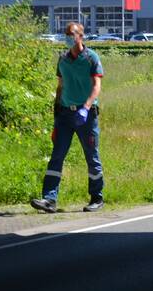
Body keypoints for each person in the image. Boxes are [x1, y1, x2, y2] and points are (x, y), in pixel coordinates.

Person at [31, 22, 105, 214]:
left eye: (71, 34)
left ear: (81, 36)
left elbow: (97, 86)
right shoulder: (62, 59)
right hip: (65, 114)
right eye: (66, 34)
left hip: (86, 116)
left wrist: (86, 107)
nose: (68, 37)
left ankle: (97, 197)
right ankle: (49, 199)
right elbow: (60, 86)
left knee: (91, 156)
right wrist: (56, 116)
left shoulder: (91, 58)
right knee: (57, 156)